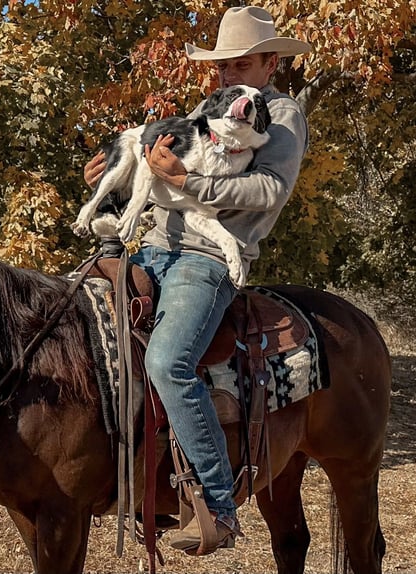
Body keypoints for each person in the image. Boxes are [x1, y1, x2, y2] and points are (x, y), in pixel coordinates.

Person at [83, 6, 311, 553]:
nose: (228, 74)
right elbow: (155, 176)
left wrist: (189, 179)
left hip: (207, 257)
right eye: (221, 66)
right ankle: (112, 473)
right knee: (67, 331)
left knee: (167, 360)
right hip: (151, 246)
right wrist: (110, 179)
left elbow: (267, 192)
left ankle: (216, 503)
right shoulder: (209, 108)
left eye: (241, 63)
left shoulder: (277, 115)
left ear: (270, 63)